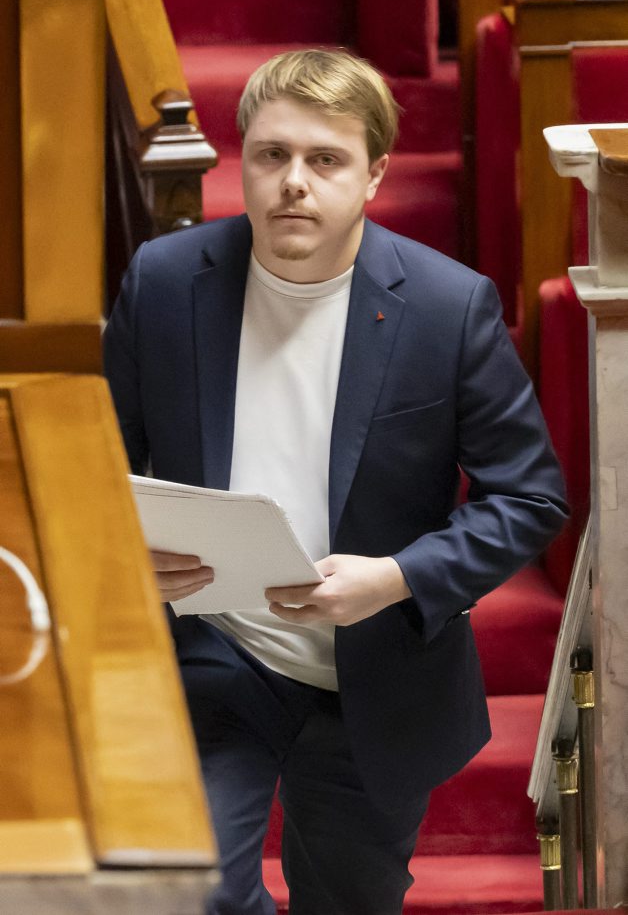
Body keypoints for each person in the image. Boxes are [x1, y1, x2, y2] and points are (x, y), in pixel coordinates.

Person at [104, 49, 568, 915]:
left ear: (375, 174)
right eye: (273, 155)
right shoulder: (163, 284)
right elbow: (95, 468)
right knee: (191, 889)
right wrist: (129, 552)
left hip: (378, 677)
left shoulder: (448, 307)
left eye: (326, 159)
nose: (294, 182)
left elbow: (529, 497)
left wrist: (394, 578)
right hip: (214, 653)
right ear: (243, 160)